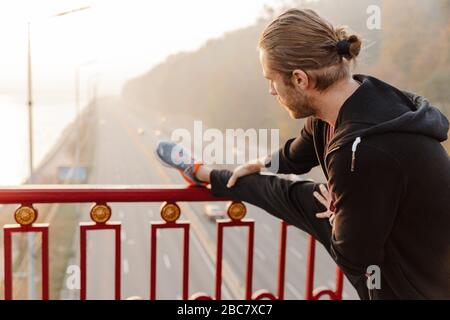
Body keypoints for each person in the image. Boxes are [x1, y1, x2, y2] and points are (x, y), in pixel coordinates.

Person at [155, 9, 450, 299]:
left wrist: (335, 213)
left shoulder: (360, 152)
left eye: (271, 79)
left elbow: (353, 259)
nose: (271, 90)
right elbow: (295, 157)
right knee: (294, 192)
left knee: (300, 196)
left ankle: (206, 174)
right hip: (393, 236)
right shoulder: (349, 101)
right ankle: (205, 173)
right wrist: (260, 162)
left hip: (414, 287)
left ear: (299, 79)